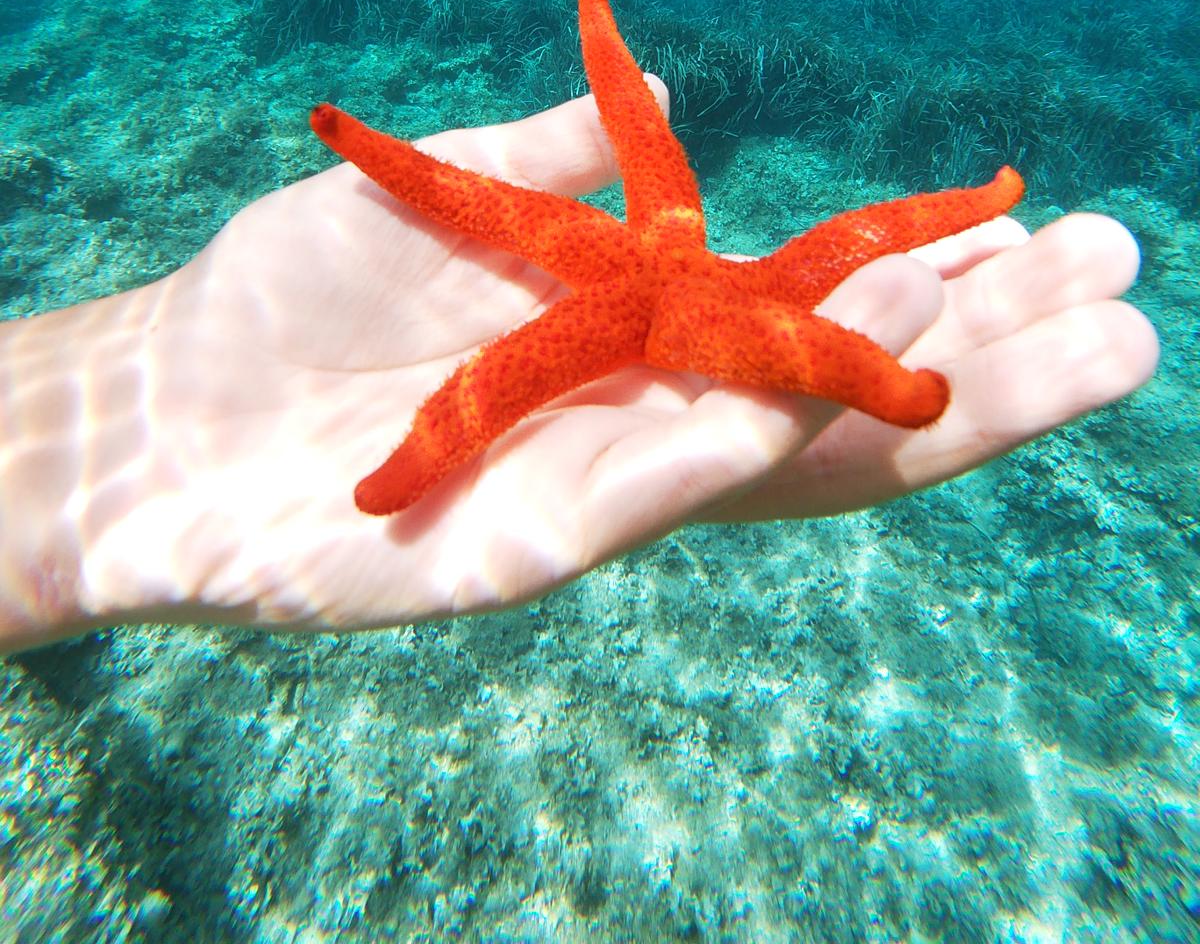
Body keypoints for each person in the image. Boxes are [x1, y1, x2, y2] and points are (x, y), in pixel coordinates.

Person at [0, 83, 1158, 654]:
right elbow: (464, 189)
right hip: (667, 301)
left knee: (846, 262)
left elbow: (857, 234)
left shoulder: (656, 257)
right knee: (801, 250)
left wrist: (974, 224)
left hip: (680, 302)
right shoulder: (652, 252)